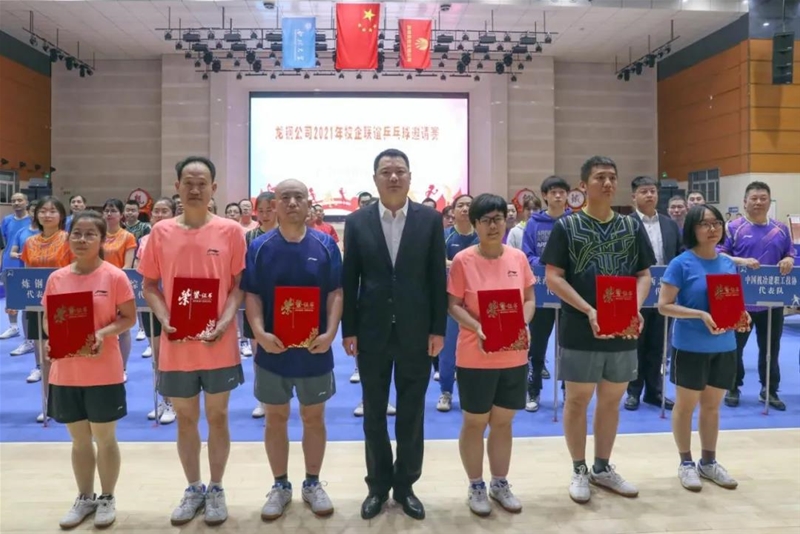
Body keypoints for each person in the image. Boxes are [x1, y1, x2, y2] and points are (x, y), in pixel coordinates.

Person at [139, 156, 246, 526]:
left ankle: (216, 488)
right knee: (185, 419)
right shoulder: (161, 233)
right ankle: (193, 487)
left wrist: (225, 321)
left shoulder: (232, 231)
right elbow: (149, 285)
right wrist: (164, 318)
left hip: (219, 343)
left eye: (202, 183)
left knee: (218, 416)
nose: (195, 189)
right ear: (177, 187)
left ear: (214, 188)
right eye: (188, 182)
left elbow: (239, 286)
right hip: (176, 343)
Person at [541, 156, 653, 504]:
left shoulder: (631, 226)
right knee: (577, 400)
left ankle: (602, 468)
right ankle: (579, 468)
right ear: (583, 185)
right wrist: (589, 309)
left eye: (612, 177)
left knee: (611, 400)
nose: (607, 183)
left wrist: (633, 308)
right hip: (580, 326)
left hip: (622, 327)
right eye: (600, 177)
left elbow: (644, 275)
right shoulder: (567, 226)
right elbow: (553, 277)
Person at [342, 148, 447, 521]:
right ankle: (377, 486)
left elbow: (437, 278)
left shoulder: (429, 220)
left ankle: (405, 487)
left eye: (400, 171)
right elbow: (350, 279)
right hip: (371, 332)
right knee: (373, 412)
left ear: (409, 177)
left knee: (411, 413)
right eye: (386, 171)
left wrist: (438, 329)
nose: (393, 177)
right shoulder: (357, 222)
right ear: (375, 179)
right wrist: (349, 329)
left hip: (416, 332)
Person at [242, 179, 340, 520]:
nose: (293, 202)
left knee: (314, 417)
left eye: (299, 196)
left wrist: (330, 333)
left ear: (308, 203)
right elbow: (252, 294)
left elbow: (335, 293)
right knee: (275, 418)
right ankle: (280, 485)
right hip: (273, 351)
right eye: (285, 197)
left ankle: (312, 483)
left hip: (315, 350)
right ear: (274, 205)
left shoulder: (326, 244)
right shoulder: (259, 247)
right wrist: (259, 332)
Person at [43, 210, 136, 529]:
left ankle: (107, 497)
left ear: (101, 240)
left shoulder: (114, 276)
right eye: (76, 234)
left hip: (103, 372)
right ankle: (85, 497)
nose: (82, 240)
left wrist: (102, 333)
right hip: (66, 372)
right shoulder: (57, 278)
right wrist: (52, 338)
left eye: (89, 234)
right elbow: (49, 319)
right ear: (68, 238)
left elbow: (128, 318)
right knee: (79, 440)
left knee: (105, 438)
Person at [447, 194, 535, 516]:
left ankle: (500, 483)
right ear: (475, 224)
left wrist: (521, 323)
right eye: (485, 220)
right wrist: (478, 326)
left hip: (513, 355)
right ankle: (476, 485)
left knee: (503, 422)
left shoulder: (518, 258)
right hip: (475, 355)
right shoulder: (463, 261)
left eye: (498, 218)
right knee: (475, 422)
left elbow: (529, 299)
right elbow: (453, 305)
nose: (493, 225)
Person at [658, 204, 747, 492]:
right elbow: (664, 306)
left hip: (724, 345)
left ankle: (708, 462)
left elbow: (730, 301)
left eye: (717, 223)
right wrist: (699, 315)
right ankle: (686, 462)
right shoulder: (681, 264)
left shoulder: (728, 263)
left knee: (712, 407)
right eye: (705, 224)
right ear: (692, 229)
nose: (712, 229)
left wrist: (741, 315)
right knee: (685, 407)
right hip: (690, 347)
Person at [719, 181, 795, 410]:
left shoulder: (781, 229)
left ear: (769, 202)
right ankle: (733, 386)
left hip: (772, 301)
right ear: (745, 202)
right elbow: (719, 255)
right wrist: (741, 261)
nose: (758, 202)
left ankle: (769, 390)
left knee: (771, 348)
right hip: (739, 301)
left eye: (763, 198)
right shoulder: (733, 228)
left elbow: (790, 254)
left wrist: (788, 259)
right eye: (754, 198)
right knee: (734, 347)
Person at [625, 176, 680, 411]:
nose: (649, 195)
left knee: (659, 346)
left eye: (653, 191)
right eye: (644, 191)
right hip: (636, 293)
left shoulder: (670, 224)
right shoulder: (625, 224)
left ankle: (654, 391)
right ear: (634, 197)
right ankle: (633, 392)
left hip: (664, 295)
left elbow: (678, 255)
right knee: (636, 345)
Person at [21, 196, 74, 422]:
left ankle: (70, 402)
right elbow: (26, 275)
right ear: (36, 215)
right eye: (43, 211)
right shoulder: (29, 242)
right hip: (37, 306)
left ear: (61, 216)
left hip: (65, 305)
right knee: (45, 357)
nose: (47, 215)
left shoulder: (69, 240)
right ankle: (48, 402)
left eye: (52, 211)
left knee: (68, 356)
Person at [522, 175, 571, 411]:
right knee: (537, 345)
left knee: (567, 345)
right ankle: (533, 391)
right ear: (545, 196)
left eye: (562, 192)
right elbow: (526, 254)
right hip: (541, 291)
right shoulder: (533, 223)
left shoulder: (575, 221)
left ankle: (568, 390)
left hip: (567, 292)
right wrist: (545, 264)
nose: (558, 196)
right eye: (553, 192)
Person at [138, 197, 177, 424]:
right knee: (157, 354)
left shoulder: (178, 238)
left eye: (165, 211)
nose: (160, 215)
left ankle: (174, 402)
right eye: (157, 211)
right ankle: (164, 398)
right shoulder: (144, 240)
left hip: (175, 302)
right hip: (152, 302)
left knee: (173, 355)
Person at [437, 194, 478, 413]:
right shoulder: (444, 236)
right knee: (448, 349)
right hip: (451, 301)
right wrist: (461, 264)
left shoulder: (481, 235)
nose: (464, 209)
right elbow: (437, 261)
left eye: (469, 205)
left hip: (477, 302)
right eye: (460, 205)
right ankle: (446, 391)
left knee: (476, 348)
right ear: (453, 211)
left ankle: (472, 393)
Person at [245, 191, 278, 419]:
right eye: (261, 211)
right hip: (256, 299)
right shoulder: (250, 237)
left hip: (281, 302)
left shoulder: (285, 233)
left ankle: (281, 397)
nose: (265, 215)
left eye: (270, 210)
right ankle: (262, 398)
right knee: (258, 351)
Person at [101, 199, 138, 381]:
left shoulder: (127, 237)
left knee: (123, 329)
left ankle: (122, 367)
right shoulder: (98, 235)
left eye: (113, 210)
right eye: (107, 210)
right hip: (98, 286)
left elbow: (127, 265)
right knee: (100, 327)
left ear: (121, 214)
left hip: (119, 287)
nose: (109, 214)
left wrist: (111, 282)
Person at [1, 192, 31, 341]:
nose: (16, 203)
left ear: (26, 202)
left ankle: (30, 333)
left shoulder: (32, 221)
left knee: (28, 297)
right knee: (11, 297)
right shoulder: (6, 220)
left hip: (28, 263)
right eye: (13, 201)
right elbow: (5, 241)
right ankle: (13, 326)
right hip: (10, 261)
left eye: (20, 200)